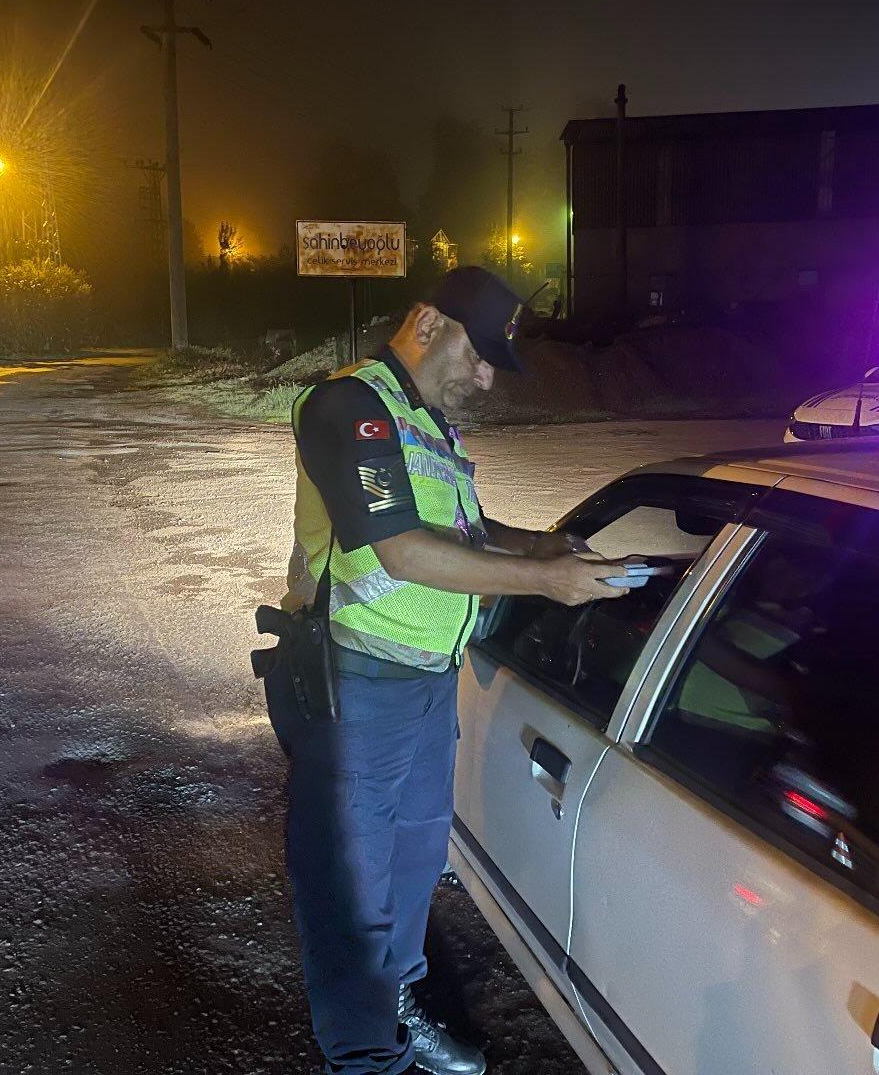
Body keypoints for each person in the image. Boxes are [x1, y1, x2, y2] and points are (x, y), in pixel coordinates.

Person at [265, 265, 626, 1075]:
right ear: (428, 323)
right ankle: (364, 1058)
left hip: (425, 681)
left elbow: (456, 524)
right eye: (482, 353)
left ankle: (396, 1006)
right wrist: (542, 582)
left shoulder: (424, 424)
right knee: (350, 891)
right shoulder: (348, 406)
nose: (488, 375)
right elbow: (397, 546)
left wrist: (540, 544)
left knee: (416, 862)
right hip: (353, 685)